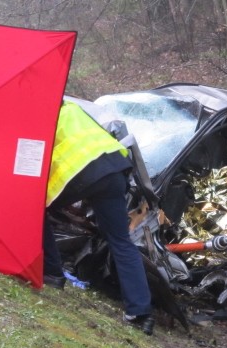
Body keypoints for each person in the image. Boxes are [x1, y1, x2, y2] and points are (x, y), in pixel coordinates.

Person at [42, 100, 154, 335]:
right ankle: (140, 313)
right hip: (114, 168)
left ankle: (52, 272)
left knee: (35, 214)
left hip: (80, 175)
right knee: (120, 240)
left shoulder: (43, 115)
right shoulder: (73, 109)